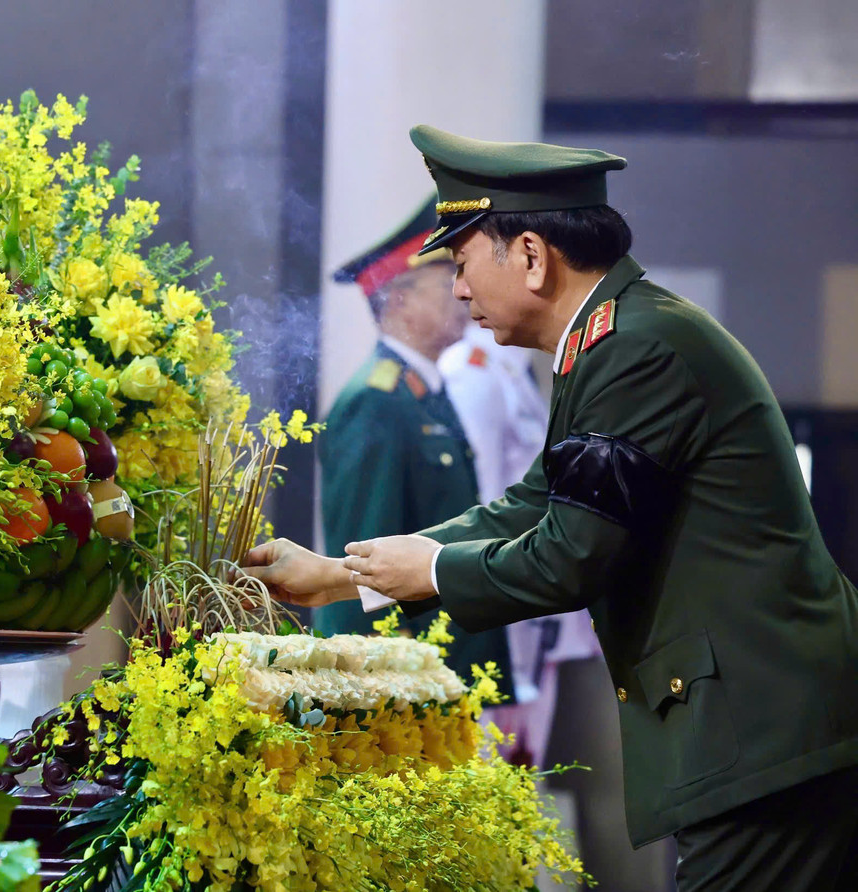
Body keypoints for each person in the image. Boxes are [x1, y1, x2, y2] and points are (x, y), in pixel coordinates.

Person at [245, 125, 858, 890]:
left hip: (767, 731)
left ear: (531, 257)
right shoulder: (613, 340)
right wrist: (339, 576)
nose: (460, 288)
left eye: (463, 263)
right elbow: (528, 507)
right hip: (767, 723)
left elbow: (568, 555)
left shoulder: (636, 350)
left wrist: (429, 569)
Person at [318, 198, 513, 700]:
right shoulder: (376, 402)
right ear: (398, 299)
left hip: (442, 659)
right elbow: (363, 551)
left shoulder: (426, 393)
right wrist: (371, 681)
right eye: (445, 282)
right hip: (403, 672)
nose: (462, 292)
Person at [441, 320, 598, 768]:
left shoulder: (513, 367)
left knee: (523, 768)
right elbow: (489, 507)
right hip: (505, 607)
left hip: (531, 612)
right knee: (492, 763)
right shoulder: (474, 372)